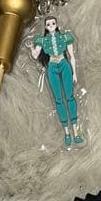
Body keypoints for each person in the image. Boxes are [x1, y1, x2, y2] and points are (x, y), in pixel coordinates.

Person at [27, 16, 84, 148]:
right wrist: (31, 48)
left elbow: (72, 56)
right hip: (52, 67)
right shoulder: (42, 40)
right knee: (58, 100)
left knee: (70, 97)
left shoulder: (65, 37)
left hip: (64, 65)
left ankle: (76, 132)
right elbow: (35, 55)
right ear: (45, 27)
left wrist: (74, 73)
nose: (51, 25)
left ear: (57, 24)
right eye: (48, 24)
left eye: (53, 23)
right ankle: (67, 133)